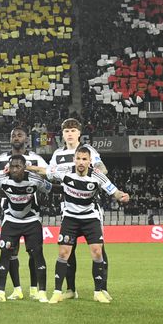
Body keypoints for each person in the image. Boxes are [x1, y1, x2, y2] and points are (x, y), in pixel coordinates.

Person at [47, 146, 129, 303]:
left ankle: (98, 292)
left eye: (84, 159)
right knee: (64, 253)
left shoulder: (97, 176)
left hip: (90, 218)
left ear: (90, 161)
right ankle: (58, 291)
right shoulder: (64, 171)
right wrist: (27, 169)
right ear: (74, 159)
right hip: (70, 218)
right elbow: (44, 171)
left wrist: (122, 196)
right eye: (78, 158)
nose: (81, 162)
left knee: (97, 252)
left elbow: (114, 191)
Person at [0, 125, 49, 297]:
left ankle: (35, 289)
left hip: (30, 210)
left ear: (26, 138)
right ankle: (17, 289)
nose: (17, 137)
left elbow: (49, 174)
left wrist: (30, 170)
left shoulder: (35, 159)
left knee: (34, 253)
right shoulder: (1, 159)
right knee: (11, 253)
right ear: (10, 139)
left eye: (20, 135)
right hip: (9, 211)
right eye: (14, 135)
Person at [46, 118, 107, 297]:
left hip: (90, 206)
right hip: (68, 207)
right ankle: (71, 289)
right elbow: (50, 175)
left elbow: (102, 170)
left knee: (99, 249)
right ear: (63, 134)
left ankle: (102, 288)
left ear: (79, 133)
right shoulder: (57, 154)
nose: (70, 134)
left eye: (73, 130)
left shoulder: (89, 151)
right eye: (66, 131)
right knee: (68, 249)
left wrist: (87, 177)